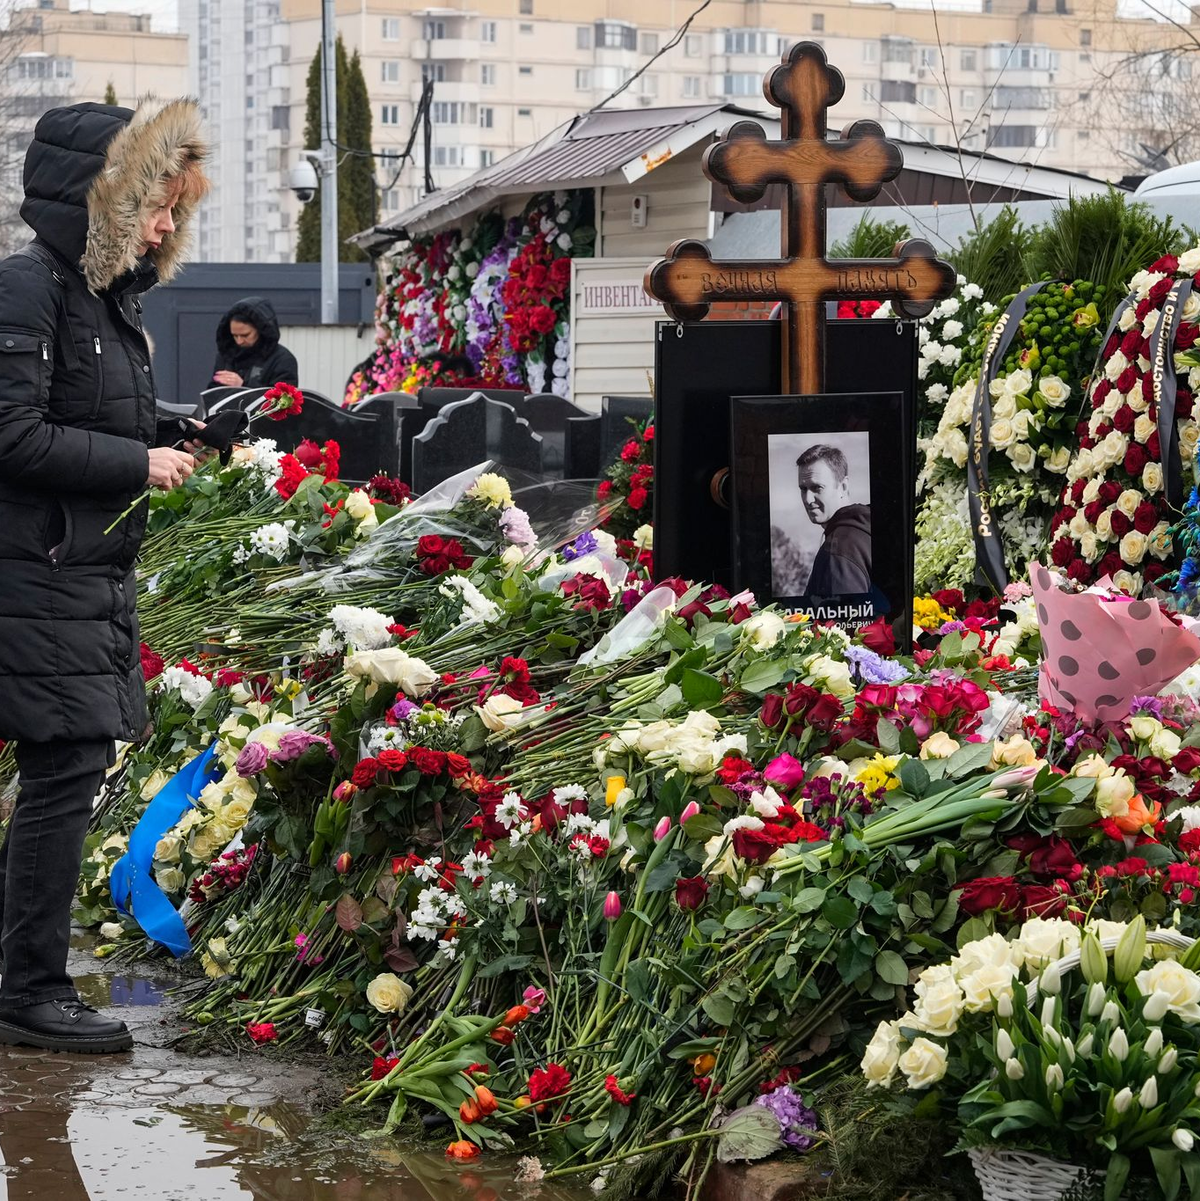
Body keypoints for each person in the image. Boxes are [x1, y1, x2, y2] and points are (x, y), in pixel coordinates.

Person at [0, 97, 208, 1053]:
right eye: (156, 207)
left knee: (65, 765)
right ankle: (30, 992)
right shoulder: (28, 286)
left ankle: (26, 977)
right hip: (36, 573)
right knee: (64, 766)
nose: (166, 226)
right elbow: (12, 433)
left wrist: (168, 428)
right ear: (105, 200)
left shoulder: (98, 300)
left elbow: (82, 411)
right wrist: (137, 463)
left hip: (76, 573)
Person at [796, 444, 872, 596]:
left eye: (817, 488)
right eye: (803, 489)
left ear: (843, 486)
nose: (807, 499)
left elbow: (848, 617)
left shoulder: (839, 547)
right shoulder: (863, 530)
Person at [211, 296, 299, 389]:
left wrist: (243, 386)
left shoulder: (282, 360)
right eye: (235, 336)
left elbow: (284, 400)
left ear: (261, 330)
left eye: (245, 335)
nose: (239, 341)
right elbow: (212, 394)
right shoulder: (226, 355)